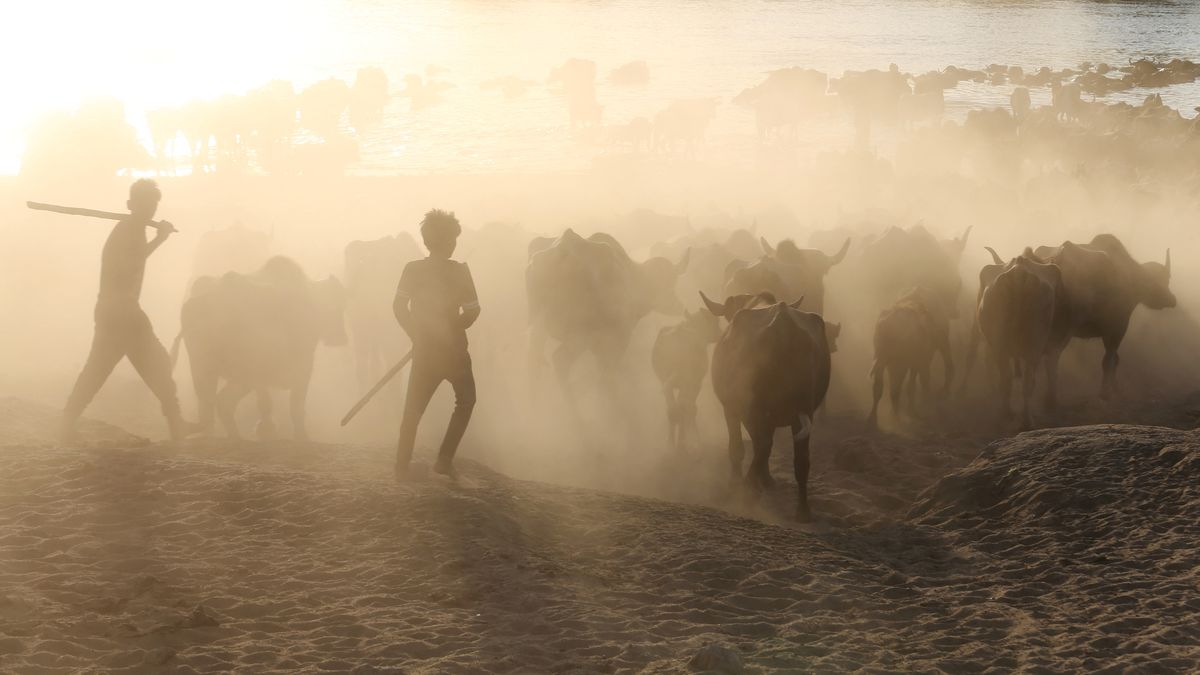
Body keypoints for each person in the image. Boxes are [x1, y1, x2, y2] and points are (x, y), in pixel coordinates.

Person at [62, 179, 190, 441]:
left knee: (150, 365)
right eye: (145, 204)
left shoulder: (133, 229)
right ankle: (66, 422)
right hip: (118, 314)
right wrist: (160, 239)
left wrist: (156, 238)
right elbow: (128, 266)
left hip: (123, 312)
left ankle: (177, 424)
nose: (150, 210)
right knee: (104, 370)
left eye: (153, 205)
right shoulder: (127, 231)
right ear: (131, 205)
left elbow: (133, 261)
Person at [393, 209, 480, 479]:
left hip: (424, 353)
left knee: (413, 410)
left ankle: (401, 467)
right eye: (454, 239)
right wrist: (454, 328)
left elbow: (398, 306)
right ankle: (444, 460)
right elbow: (473, 311)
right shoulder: (460, 271)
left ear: (426, 241)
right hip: (455, 352)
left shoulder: (413, 269)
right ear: (451, 241)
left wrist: (416, 335)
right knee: (466, 401)